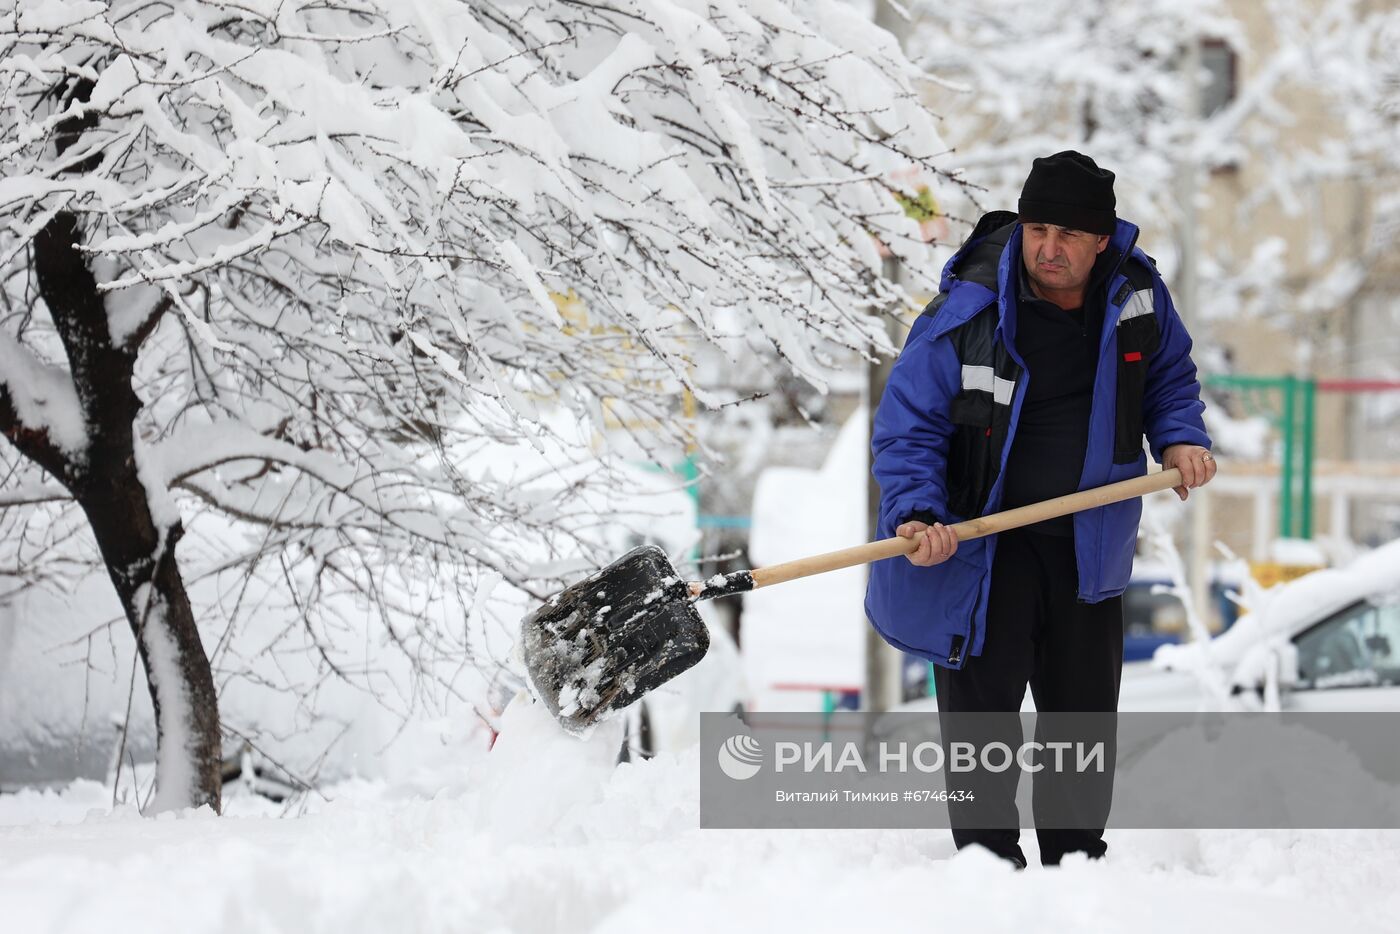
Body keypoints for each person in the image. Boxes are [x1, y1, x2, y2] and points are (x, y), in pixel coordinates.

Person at [864, 151, 1215, 868]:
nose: (1048, 249)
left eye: (1067, 235)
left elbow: (1170, 379)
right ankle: (987, 875)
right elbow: (908, 425)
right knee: (983, 733)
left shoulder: (1137, 295)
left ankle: (1077, 873)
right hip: (983, 554)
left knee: (1080, 731)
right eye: (1037, 229)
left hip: (1090, 547)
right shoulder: (968, 312)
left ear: (1100, 240)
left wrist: (1179, 438)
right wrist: (917, 515)